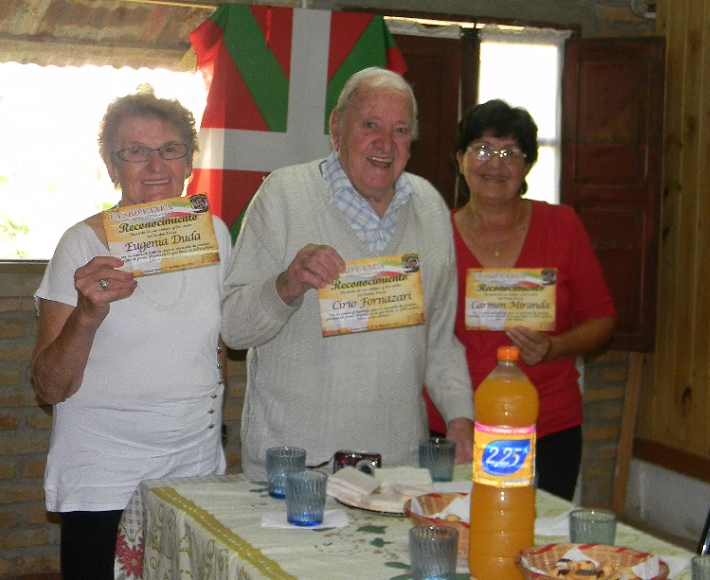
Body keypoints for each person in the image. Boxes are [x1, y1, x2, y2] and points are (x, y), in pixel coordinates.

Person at [221, 67, 474, 473]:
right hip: (297, 469)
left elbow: (440, 342)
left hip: (399, 468)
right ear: (336, 128)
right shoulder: (285, 195)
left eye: (400, 130)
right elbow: (234, 329)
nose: (385, 144)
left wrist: (461, 418)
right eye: (369, 124)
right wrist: (286, 285)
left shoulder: (429, 205)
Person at [30, 86, 232, 579]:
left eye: (169, 149)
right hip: (105, 475)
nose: (156, 165)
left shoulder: (215, 234)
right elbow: (48, 386)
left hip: (194, 466)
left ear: (188, 162)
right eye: (136, 152)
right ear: (112, 167)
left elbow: (216, 348)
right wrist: (87, 314)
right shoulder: (81, 244)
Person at [425, 99, 616, 500]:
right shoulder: (432, 235)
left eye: (510, 153)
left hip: (546, 425)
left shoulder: (562, 225)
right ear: (459, 159)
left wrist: (554, 347)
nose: (495, 165)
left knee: (538, 542)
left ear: (527, 166)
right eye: (481, 149)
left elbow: (601, 319)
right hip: (455, 425)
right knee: (452, 533)